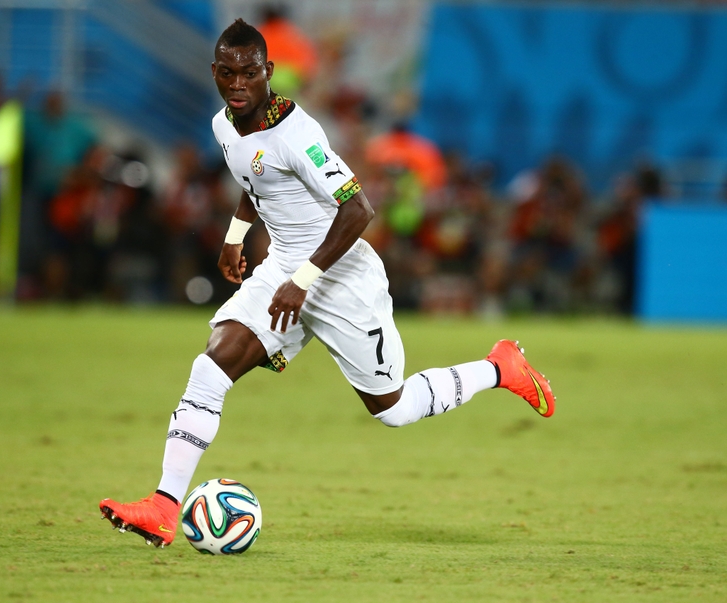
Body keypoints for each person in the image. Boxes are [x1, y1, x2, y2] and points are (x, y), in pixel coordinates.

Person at [99, 19, 555, 548]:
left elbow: (360, 208)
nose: (238, 84)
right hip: (282, 270)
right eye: (228, 73)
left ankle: (500, 367)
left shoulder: (299, 135)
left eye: (249, 73)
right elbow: (255, 181)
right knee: (212, 364)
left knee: (394, 409)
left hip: (341, 278)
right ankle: (162, 505)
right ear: (216, 73)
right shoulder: (225, 125)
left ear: (268, 71)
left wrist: (305, 278)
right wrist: (235, 234)